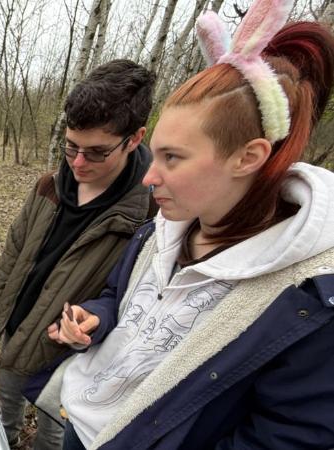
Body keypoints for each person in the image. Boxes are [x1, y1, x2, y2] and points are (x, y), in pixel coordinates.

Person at [32, 5, 334, 449]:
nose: (151, 176)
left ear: (247, 157)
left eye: (173, 158)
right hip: (84, 424)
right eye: (156, 155)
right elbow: (123, 297)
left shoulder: (306, 295)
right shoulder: (161, 232)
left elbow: (287, 435)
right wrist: (96, 316)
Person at [0, 59, 156, 449]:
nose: (77, 163)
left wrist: (93, 322)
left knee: (54, 433)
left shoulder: (147, 216)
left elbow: (136, 302)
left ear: (134, 138)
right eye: (71, 147)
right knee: (5, 405)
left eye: (96, 153)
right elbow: (14, 248)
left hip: (71, 357)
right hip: (16, 331)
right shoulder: (49, 185)